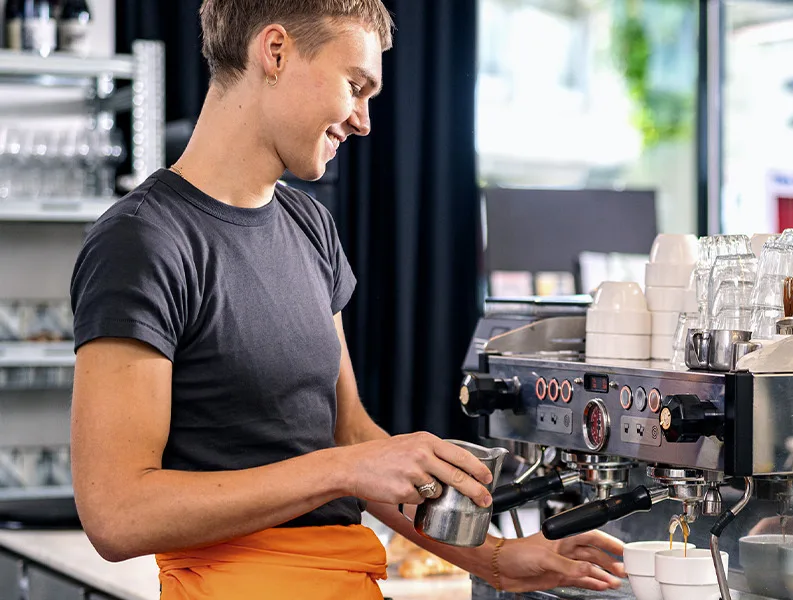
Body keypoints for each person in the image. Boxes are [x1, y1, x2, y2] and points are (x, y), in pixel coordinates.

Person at [67, 2, 625, 598]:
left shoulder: (309, 226)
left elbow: (350, 436)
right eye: (355, 86)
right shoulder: (142, 240)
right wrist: (344, 469)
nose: (363, 120)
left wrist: (494, 558)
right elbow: (117, 514)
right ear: (275, 52)